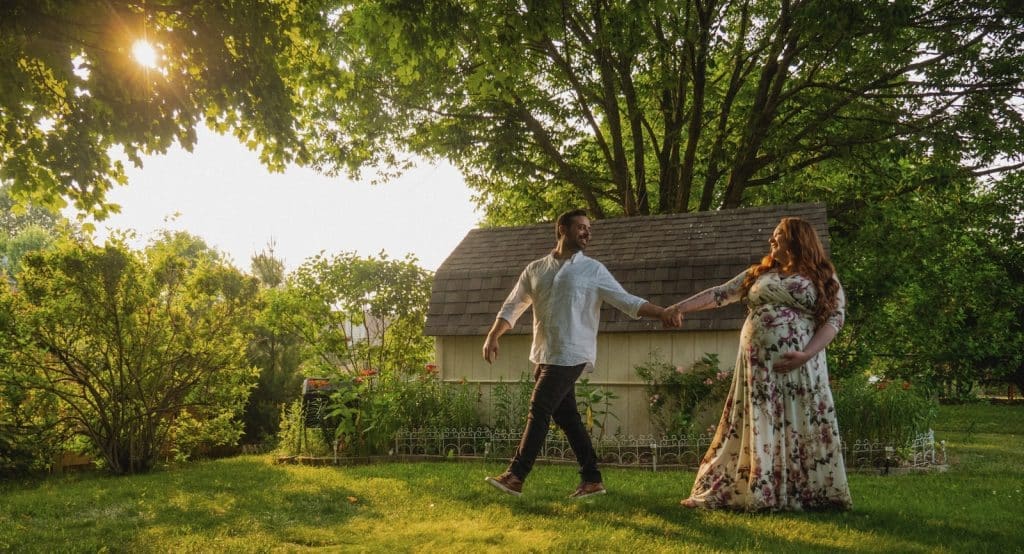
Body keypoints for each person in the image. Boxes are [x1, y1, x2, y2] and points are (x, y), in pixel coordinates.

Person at [483, 208, 675, 499]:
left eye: (589, 228)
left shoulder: (593, 270)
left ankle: (516, 476)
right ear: (563, 229)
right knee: (568, 418)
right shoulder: (535, 269)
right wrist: (493, 335)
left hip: (573, 352)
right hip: (545, 353)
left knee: (539, 407)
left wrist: (662, 313)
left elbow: (626, 300)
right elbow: (513, 306)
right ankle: (591, 479)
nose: (587, 232)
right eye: (581, 227)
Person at [667, 217, 853, 511]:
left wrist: (806, 354)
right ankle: (755, 490)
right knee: (758, 424)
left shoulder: (823, 277)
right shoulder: (760, 273)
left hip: (802, 367)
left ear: (796, 239)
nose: (771, 240)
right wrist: (678, 308)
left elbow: (834, 319)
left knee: (800, 423)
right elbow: (720, 294)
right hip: (758, 369)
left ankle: (808, 494)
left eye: (778, 235)